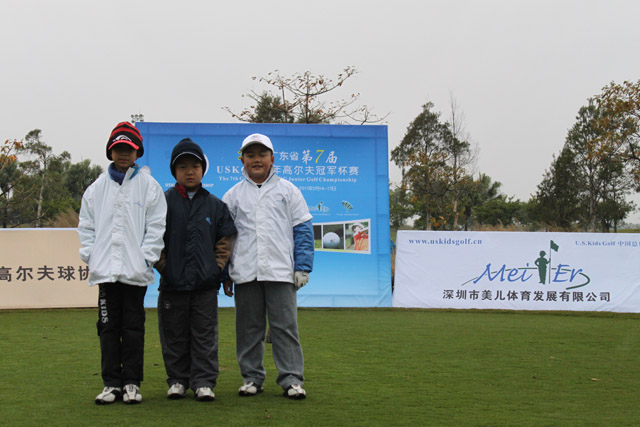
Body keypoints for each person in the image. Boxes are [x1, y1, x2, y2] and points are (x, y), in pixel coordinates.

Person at [78, 121, 167, 405]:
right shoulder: (96, 189)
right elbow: (86, 227)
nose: (124, 154)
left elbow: (156, 227)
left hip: (135, 273)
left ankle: (131, 383)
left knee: (133, 329)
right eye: (118, 149)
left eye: (129, 149)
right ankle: (111, 384)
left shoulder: (149, 186)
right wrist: (91, 255)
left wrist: (146, 259)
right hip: (105, 273)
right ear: (110, 152)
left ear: (138, 151)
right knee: (107, 328)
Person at [222, 133, 314, 400]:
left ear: (272, 158)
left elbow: (303, 230)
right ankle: (252, 378)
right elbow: (225, 238)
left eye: (262, 154)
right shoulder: (233, 196)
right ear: (242, 160)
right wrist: (224, 272)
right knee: (248, 329)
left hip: (280, 272)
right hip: (245, 273)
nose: (256, 160)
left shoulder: (289, 191)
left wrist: (303, 266)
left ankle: (292, 379)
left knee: (285, 328)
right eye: (250, 155)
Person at [154, 138, 236, 402]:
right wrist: (166, 268)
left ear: (203, 170)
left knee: (205, 336)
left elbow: (224, 241)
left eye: (195, 166)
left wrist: (215, 268)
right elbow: (153, 240)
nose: (189, 171)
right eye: (183, 167)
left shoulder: (215, 205)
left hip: (205, 287)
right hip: (172, 285)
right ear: (174, 171)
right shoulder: (161, 202)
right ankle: (177, 380)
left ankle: (203, 382)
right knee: (174, 335)